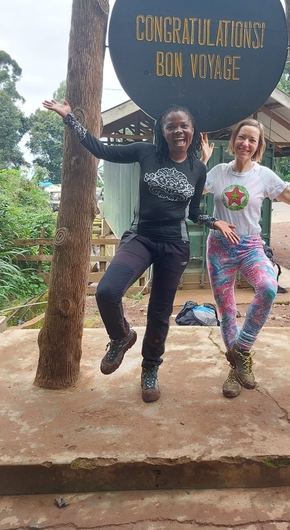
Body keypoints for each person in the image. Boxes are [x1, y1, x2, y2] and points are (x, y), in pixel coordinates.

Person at [43, 98, 235, 402]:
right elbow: (100, 149)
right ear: (162, 131)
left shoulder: (197, 168)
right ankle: (121, 336)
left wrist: (215, 222)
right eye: (171, 126)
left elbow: (195, 211)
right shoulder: (146, 152)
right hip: (141, 237)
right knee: (107, 291)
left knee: (159, 312)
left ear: (192, 129)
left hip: (175, 245)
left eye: (183, 125)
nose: (178, 131)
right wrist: (69, 118)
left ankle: (150, 370)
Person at [201, 119, 290, 397]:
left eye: (252, 140)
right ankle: (236, 371)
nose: (246, 143)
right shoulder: (218, 172)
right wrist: (201, 162)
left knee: (268, 287)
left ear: (258, 147)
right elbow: (192, 193)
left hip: (250, 246)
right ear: (234, 140)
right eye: (242, 137)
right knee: (227, 311)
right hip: (220, 248)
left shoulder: (264, 175)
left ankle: (242, 350)